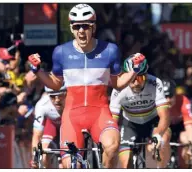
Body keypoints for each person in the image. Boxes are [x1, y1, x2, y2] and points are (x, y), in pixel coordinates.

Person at [28, 3, 146, 168]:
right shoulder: (61, 52)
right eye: (77, 26)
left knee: (112, 146)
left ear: (94, 27)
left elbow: (117, 83)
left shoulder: (110, 50)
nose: (81, 31)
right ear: (71, 28)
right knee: (70, 165)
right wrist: (38, 71)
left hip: (100, 112)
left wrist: (134, 70)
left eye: (85, 26)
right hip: (72, 115)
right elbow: (55, 84)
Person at [109, 56, 171, 168]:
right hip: (130, 125)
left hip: (153, 122)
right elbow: (113, 121)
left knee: (162, 141)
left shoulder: (155, 83)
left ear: (146, 76)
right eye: (132, 79)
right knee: (124, 162)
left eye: (140, 78)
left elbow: (164, 116)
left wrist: (158, 134)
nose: (136, 83)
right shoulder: (118, 89)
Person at [31, 85, 66, 168]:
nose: (57, 100)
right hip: (52, 125)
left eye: (60, 95)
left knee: (66, 162)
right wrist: (35, 158)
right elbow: (37, 135)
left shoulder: (73, 100)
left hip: (68, 125)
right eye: (53, 97)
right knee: (44, 156)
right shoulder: (42, 105)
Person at [163, 79, 192, 168]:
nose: (168, 100)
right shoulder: (157, 103)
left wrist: (191, 147)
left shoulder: (183, 101)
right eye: (165, 96)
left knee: (185, 140)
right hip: (166, 127)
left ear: (175, 94)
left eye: (170, 96)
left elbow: (189, 127)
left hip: (181, 128)